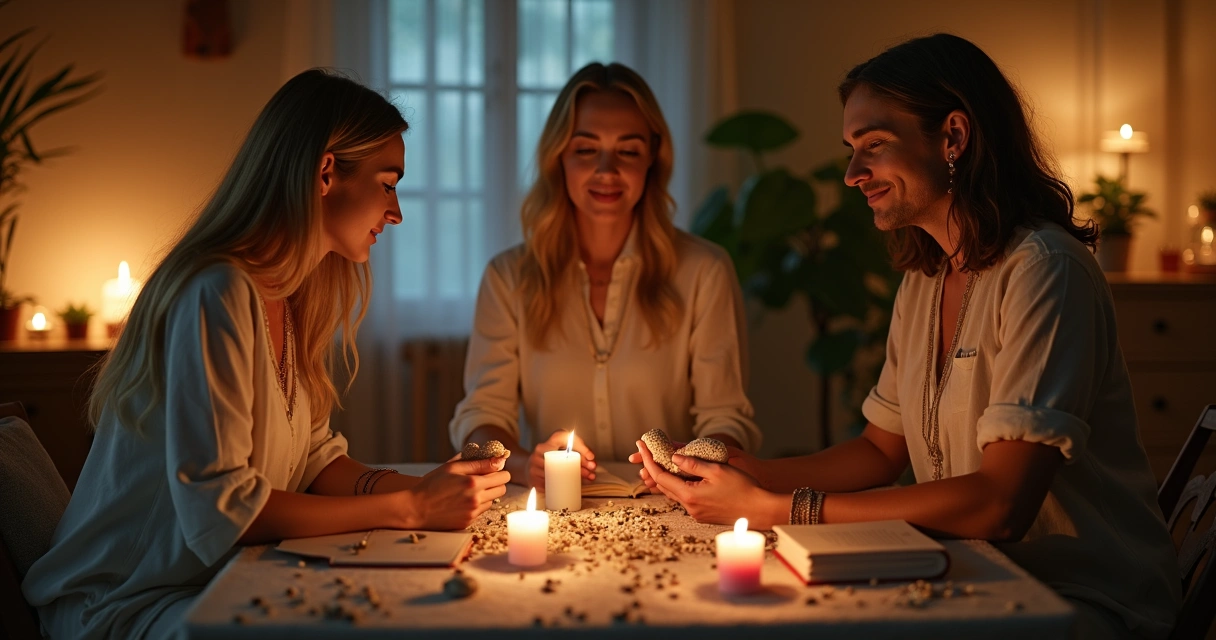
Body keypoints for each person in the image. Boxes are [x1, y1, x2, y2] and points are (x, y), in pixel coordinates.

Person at [632, 34, 1180, 638]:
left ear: (953, 137)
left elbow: (1002, 503)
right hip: (969, 573)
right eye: (851, 149)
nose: (851, 173)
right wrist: (752, 472)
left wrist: (773, 510)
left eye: (874, 146)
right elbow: (878, 451)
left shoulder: (1046, 269)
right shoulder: (926, 279)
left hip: (1079, 599)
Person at [22, 69, 510, 640]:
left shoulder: (295, 294)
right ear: (326, 172)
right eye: (387, 183)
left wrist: (423, 488)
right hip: (125, 603)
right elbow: (222, 510)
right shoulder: (216, 290)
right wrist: (409, 510)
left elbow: (315, 462)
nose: (396, 211)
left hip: (209, 579)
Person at [450, 62, 761, 490]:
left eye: (628, 151)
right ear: (559, 157)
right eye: (585, 149)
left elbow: (725, 417)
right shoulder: (508, 278)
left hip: (673, 503)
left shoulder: (704, 270)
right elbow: (483, 416)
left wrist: (690, 466)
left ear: (652, 158)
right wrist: (525, 465)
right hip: (556, 508)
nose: (606, 170)